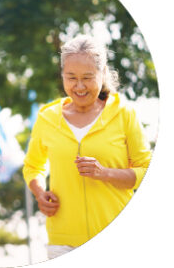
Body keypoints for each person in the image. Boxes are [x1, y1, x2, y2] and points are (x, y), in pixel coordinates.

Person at [22, 35, 152, 259]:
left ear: (102, 74)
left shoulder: (124, 114)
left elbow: (146, 169)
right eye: (71, 77)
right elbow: (33, 166)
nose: (79, 86)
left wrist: (105, 173)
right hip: (63, 242)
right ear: (62, 75)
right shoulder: (47, 118)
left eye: (87, 78)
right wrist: (39, 192)